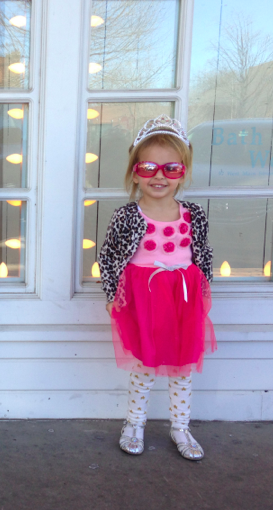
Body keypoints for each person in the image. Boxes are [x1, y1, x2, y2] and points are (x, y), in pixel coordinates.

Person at [98, 115, 216, 461]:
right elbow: (108, 256)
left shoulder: (193, 214)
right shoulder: (127, 215)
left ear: (184, 172)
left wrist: (204, 292)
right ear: (135, 173)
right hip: (143, 301)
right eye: (148, 168)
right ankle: (134, 423)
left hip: (183, 299)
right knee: (144, 367)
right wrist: (113, 296)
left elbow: (203, 255)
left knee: (183, 369)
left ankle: (181, 426)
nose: (159, 176)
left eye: (171, 168)